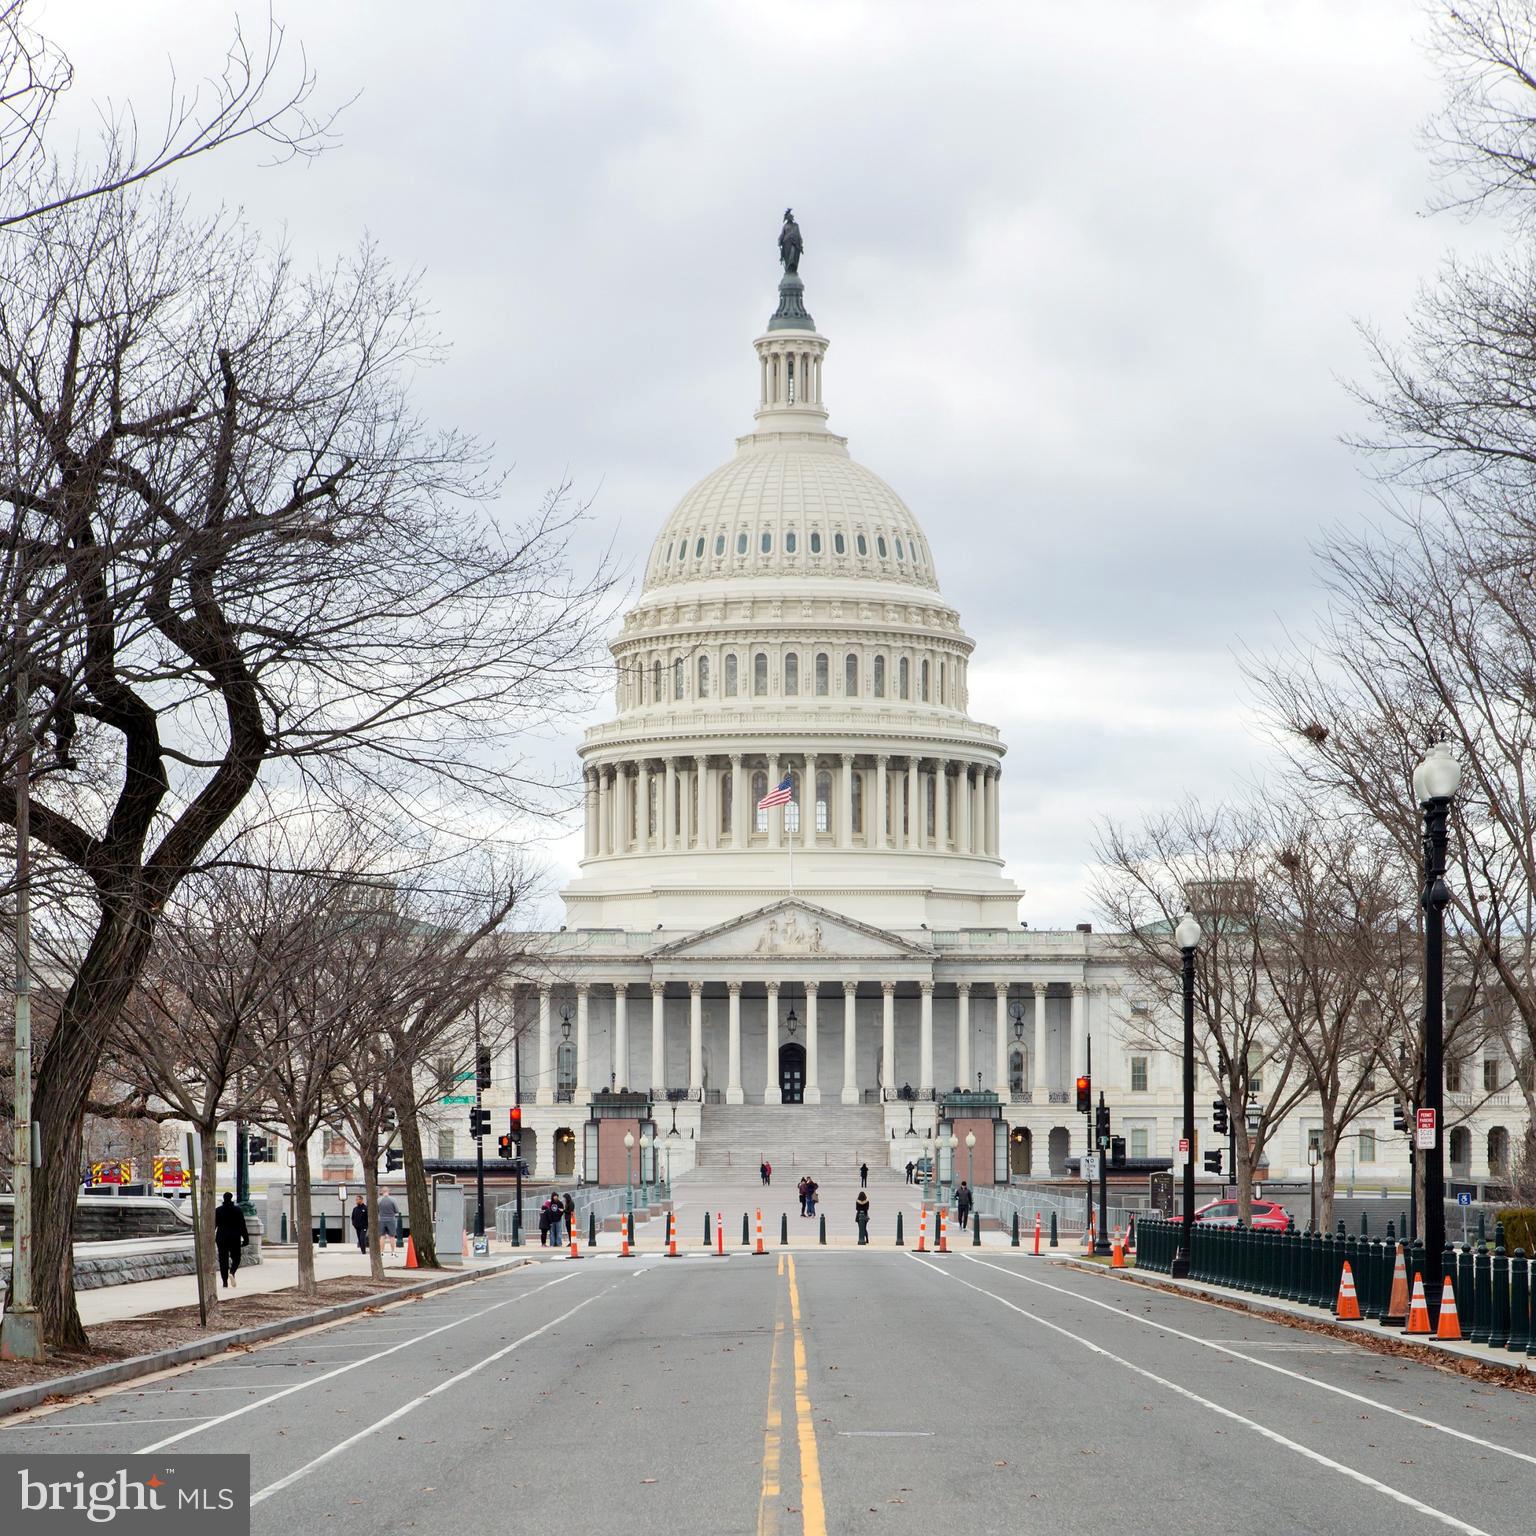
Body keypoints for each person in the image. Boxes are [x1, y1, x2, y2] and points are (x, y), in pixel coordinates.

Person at [213, 1191, 248, 1288]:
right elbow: (242, 1226)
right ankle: (232, 1272)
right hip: (234, 1237)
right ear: (231, 1198)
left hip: (221, 1238)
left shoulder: (218, 1210)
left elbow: (213, 1226)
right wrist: (246, 1238)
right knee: (236, 1258)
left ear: (224, 1199)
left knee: (223, 1260)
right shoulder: (238, 1210)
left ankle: (225, 1282)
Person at [377, 1191, 399, 1255]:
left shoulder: (379, 1200)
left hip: (381, 1219)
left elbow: (377, 1209)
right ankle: (393, 1252)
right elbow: (397, 1210)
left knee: (382, 1236)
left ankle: (382, 1252)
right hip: (391, 1219)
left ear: (382, 1193)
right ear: (388, 1192)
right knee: (392, 1236)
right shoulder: (393, 1200)